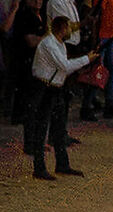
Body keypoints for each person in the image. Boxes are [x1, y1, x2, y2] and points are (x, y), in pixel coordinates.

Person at [26, 14, 87, 180]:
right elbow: (65, 66)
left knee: (58, 127)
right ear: (61, 28)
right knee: (42, 128)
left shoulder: (58, 44)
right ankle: (39, 168)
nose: (70, 31)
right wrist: (87, 59)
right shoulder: (49, 44)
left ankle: (62, 164)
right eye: (67, 27)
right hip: (44, 88)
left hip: (54, 88)